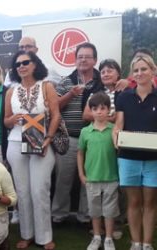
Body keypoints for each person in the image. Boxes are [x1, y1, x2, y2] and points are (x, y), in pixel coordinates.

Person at [4, 50, 60, 250]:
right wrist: (14, 119)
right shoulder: (11, 91)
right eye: (17, 64)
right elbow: (6, 120)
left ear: (35, 64)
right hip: (16, 143)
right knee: (23, 192)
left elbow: (56, 115)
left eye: (25, 62)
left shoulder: (46, 87)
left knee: (39, 190)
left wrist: (49, 138)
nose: (21, 66)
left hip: (40, 143)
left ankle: (45, 237)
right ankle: (27, 234)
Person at [52, 43, 104, 224]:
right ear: (75, 60)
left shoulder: (101, 81)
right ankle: (58, 215)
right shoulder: (66, 81)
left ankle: (86, 217)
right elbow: (54, 106)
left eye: (87, 56)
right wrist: (70, 95)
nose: (83, 60)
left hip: (94, 139)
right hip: (69, 139)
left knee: (89, 181)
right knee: (62, 179)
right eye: (80, 56)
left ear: (95, 60)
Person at [113, 55, 157, 250]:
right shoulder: (124, 97)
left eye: (144, 69)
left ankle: (147, 244)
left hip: (153, 160)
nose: (140, 73)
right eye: (136, 70)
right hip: (128, 157)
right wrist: (116, 137)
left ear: (153, 71)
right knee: (133, 201)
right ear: (132, 74)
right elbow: (118, 126)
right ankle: (135, 242)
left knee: (149, 203)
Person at [77, 92, 119, 250]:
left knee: (109, 211)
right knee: (94, 210)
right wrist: (81, 174)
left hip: (111, 177)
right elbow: (80, 153)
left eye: (103, 108)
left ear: (109, 110)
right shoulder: (85, 132)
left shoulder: (114, 130)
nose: (99, 111)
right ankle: (96, 236)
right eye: (95, 108)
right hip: (92, 178)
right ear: (91, 110)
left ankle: (108, 238)